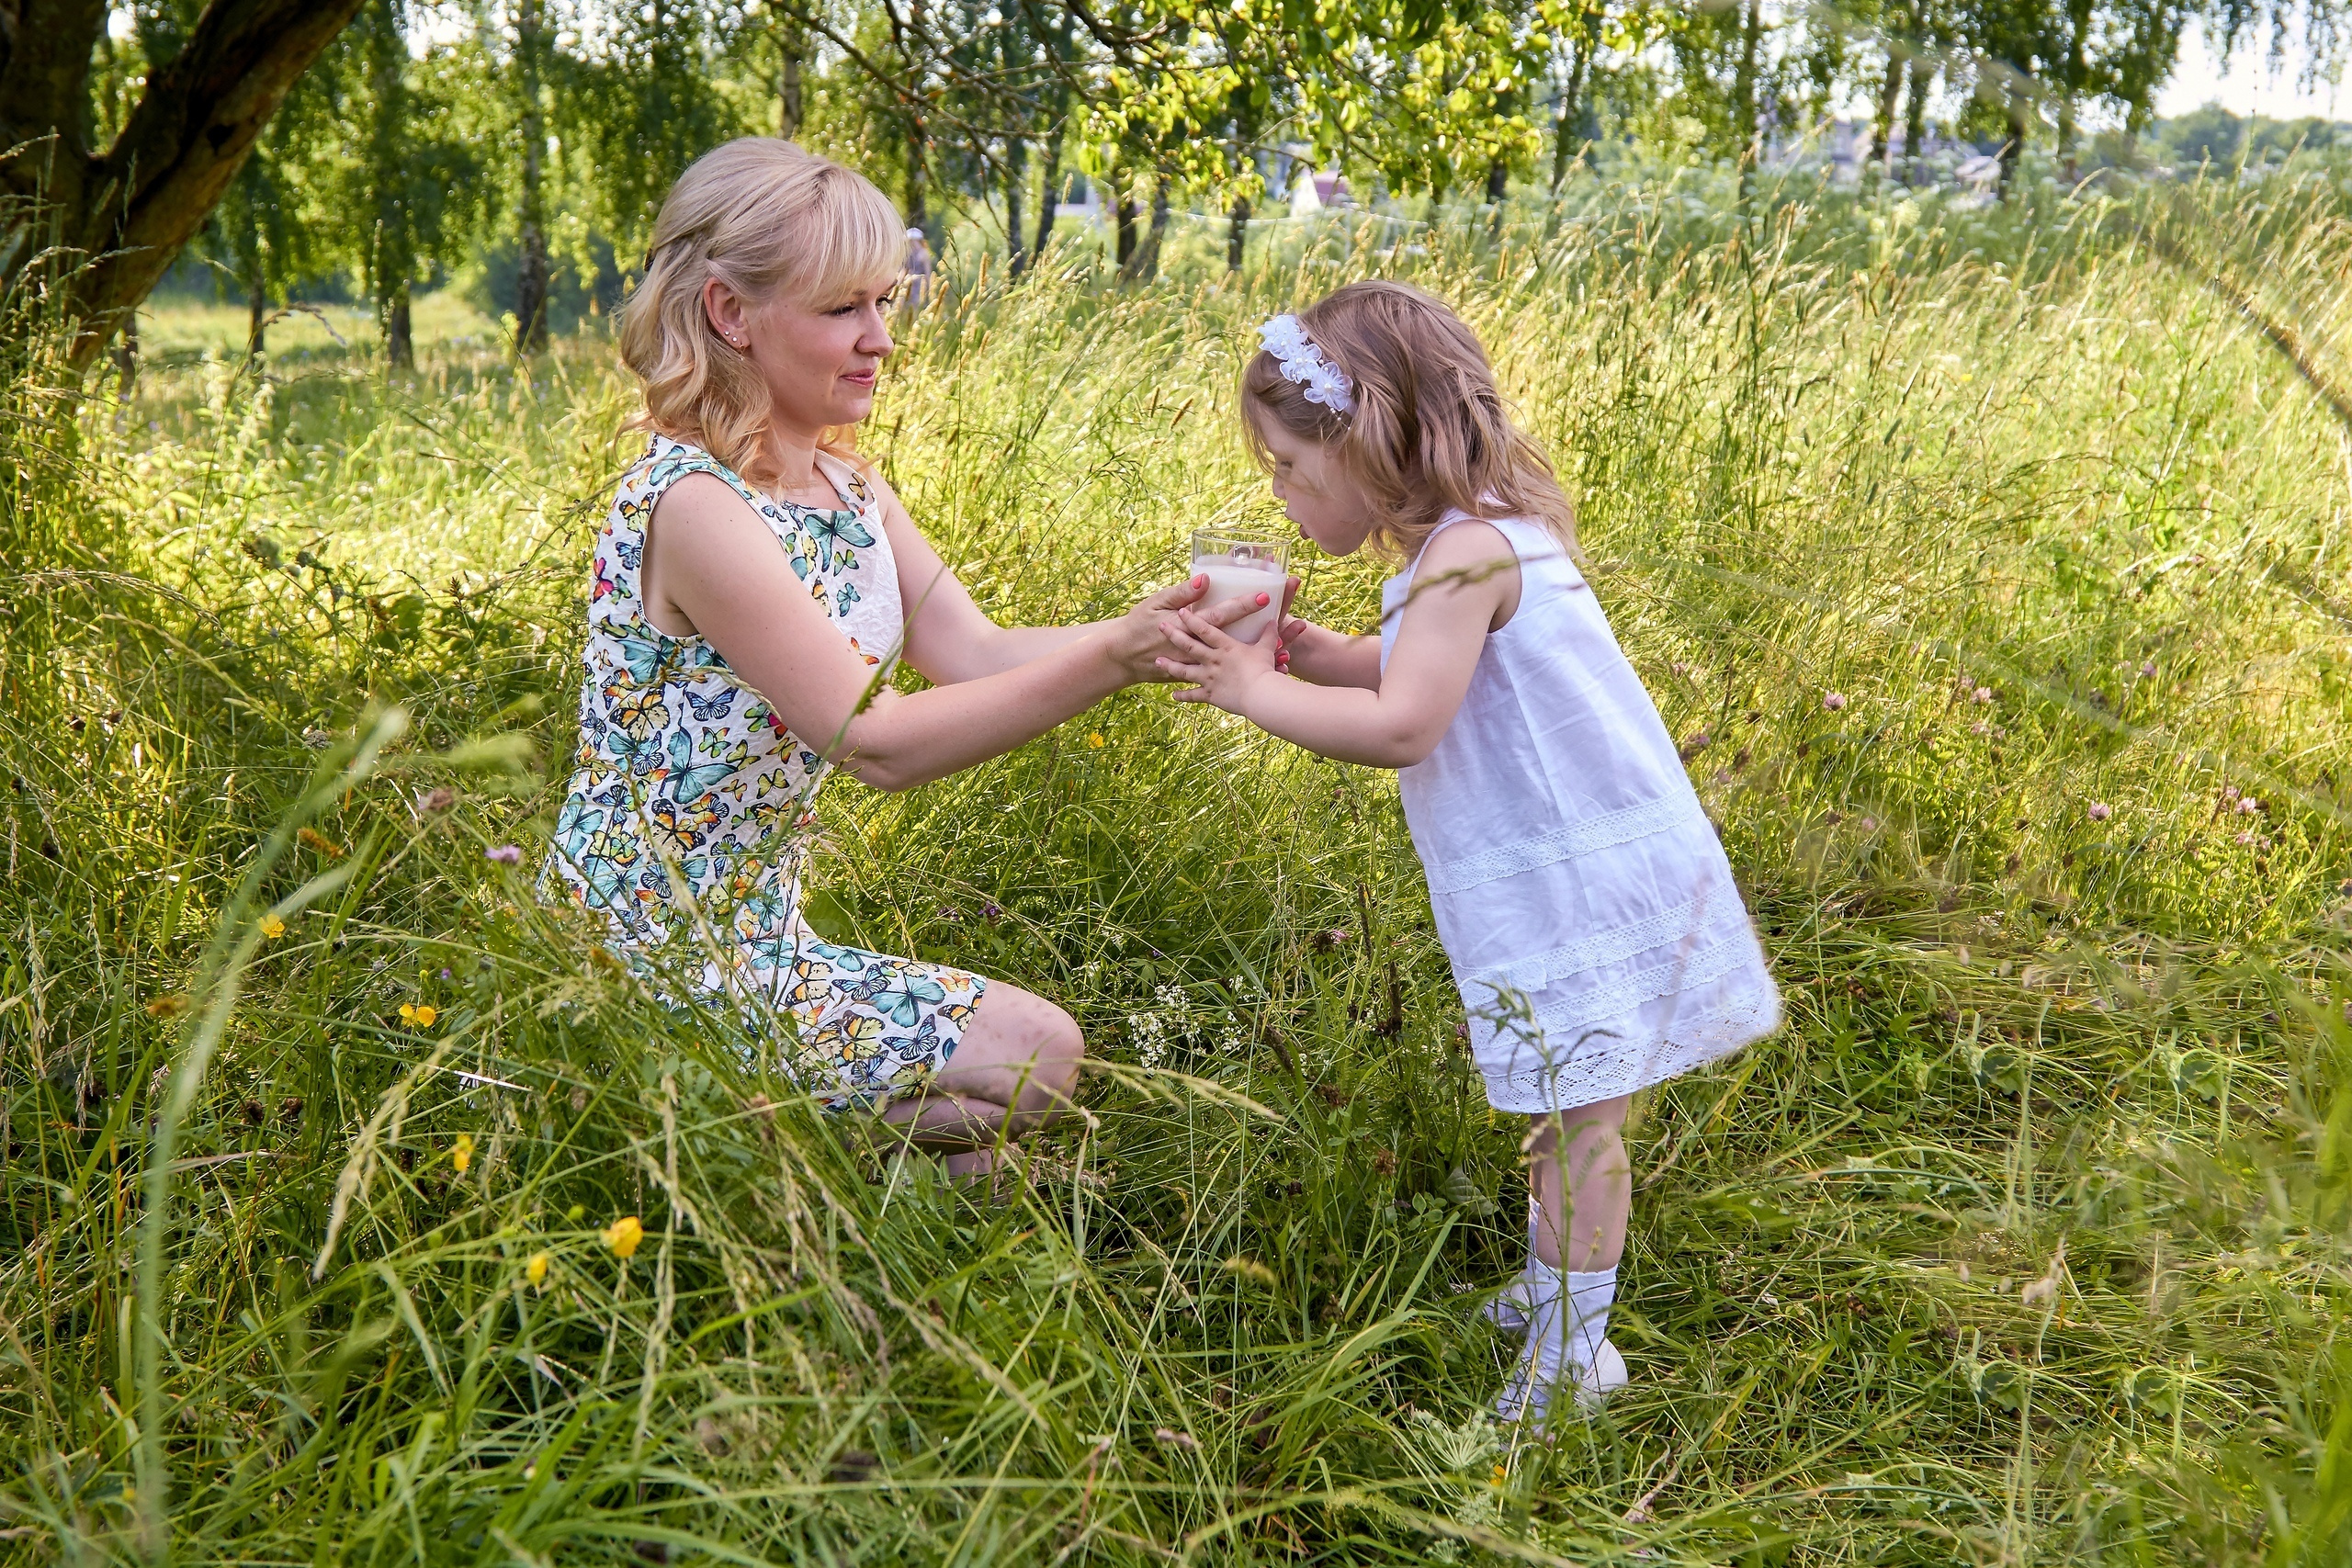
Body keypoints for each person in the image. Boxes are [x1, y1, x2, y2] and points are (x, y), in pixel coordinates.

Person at [548, 139, 1233, 1183]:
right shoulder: (694, 506)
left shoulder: (845, 489)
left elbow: (977, 651)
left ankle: (770, 1168)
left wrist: (1159, 639)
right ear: (732, 315)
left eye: (883, 302)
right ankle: (726, 1157)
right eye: (841, 310)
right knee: (1037, 1065)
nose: (880, 340)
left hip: (759, 942)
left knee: (1026, 1095)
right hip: (642, 957)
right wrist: (1111, 658)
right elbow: (872, 741)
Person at [1155, 281, 1781, 1421]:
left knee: (1576, 1125)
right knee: (1567, 1113)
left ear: (1365, 438)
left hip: (1579, 882)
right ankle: (1559, 1296)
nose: (1281, 495)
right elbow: (1417, 671)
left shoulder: (1459, 557)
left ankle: (1572, 1358)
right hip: (1585, 866)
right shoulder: (1476, 538)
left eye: (1290, 468)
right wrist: (1320, 653)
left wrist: (1250, 688)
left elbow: (1406, 726)